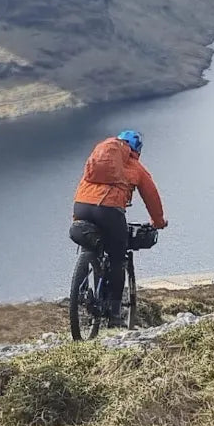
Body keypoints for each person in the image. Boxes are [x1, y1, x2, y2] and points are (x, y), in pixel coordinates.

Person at [72, 129, 167, 315]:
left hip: (81, 206)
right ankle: (115, 311)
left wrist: (77, 216)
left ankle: (80, 293)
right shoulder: (135, 167)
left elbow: (83, 188)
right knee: (118, 257)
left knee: (87, 245)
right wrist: (158, 222)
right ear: (137, 150)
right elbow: (151, 197)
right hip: (109, 211)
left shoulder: (98, 160)